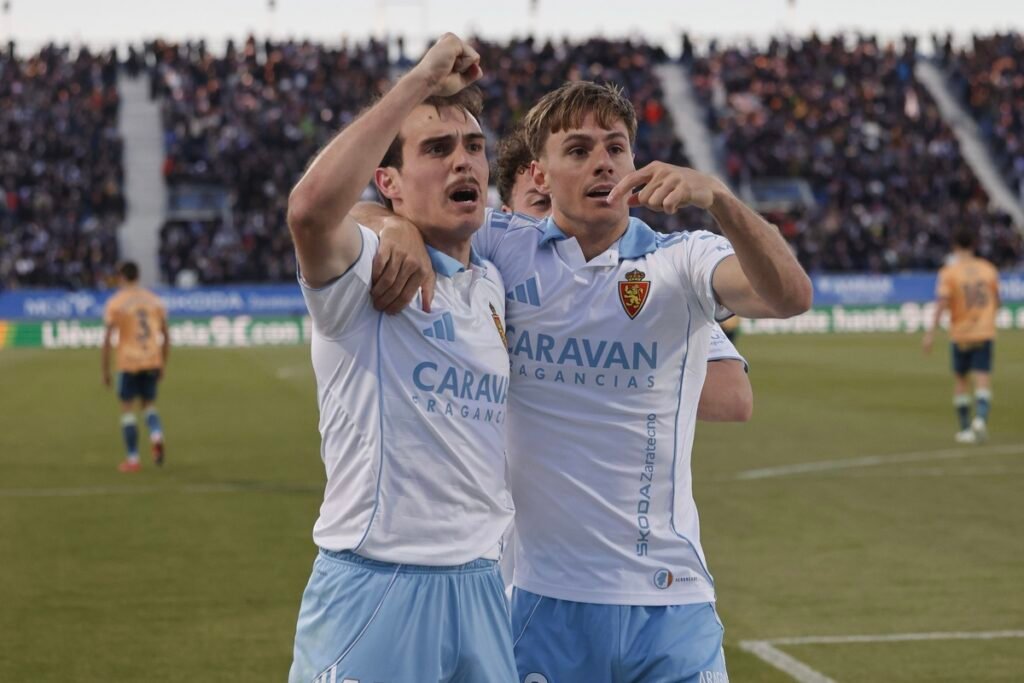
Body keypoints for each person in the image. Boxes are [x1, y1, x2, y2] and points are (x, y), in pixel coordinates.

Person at [367, 80, 812, 681]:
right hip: (546, 601)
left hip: (671, 600)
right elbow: (343, 214)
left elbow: (789, 297)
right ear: (540, 175)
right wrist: (392, 226)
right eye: (578, 150)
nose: (603, 162)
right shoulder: (502, 244)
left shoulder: (681, 259)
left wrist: (722, 201)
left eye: (616, 147)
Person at [284, 34, 517, 683]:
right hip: (377, 585)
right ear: (388, 181)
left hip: (482, 586)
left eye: (474, 146)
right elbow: (309, 212)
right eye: (437, 149)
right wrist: (418, 81)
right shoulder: (368, 271)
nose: (463, 160)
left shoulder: (493, 282)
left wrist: (396, 220)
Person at [494, 126, 753, 422]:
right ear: (506, 217)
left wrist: (590, 365)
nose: (556, 215)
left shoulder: (658, 278)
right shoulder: (488, 280)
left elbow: (733, 397)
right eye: (541, 203)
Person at [923, 227, 1000, 443]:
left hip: (960, 333)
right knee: (982, 378)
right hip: (984, 331)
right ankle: (981, 419)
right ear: (974, 245)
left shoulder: (949, 272)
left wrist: (931, 333)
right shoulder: (988, 269)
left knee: (961, 381)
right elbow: (997, 301)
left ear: (955, 246)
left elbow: (942, 303)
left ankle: (966, 428)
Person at [101, 261, 170, 473]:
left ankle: (133, 459)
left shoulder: (116, 302)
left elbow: (107, 338)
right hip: (152, 359)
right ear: (138, 276)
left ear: (121, 277)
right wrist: (163, 363)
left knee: (127, 408)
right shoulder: (155, 300)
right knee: (149, 405)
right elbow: (166, 335)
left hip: (128, 362)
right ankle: (156, 435)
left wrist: (105, 370)